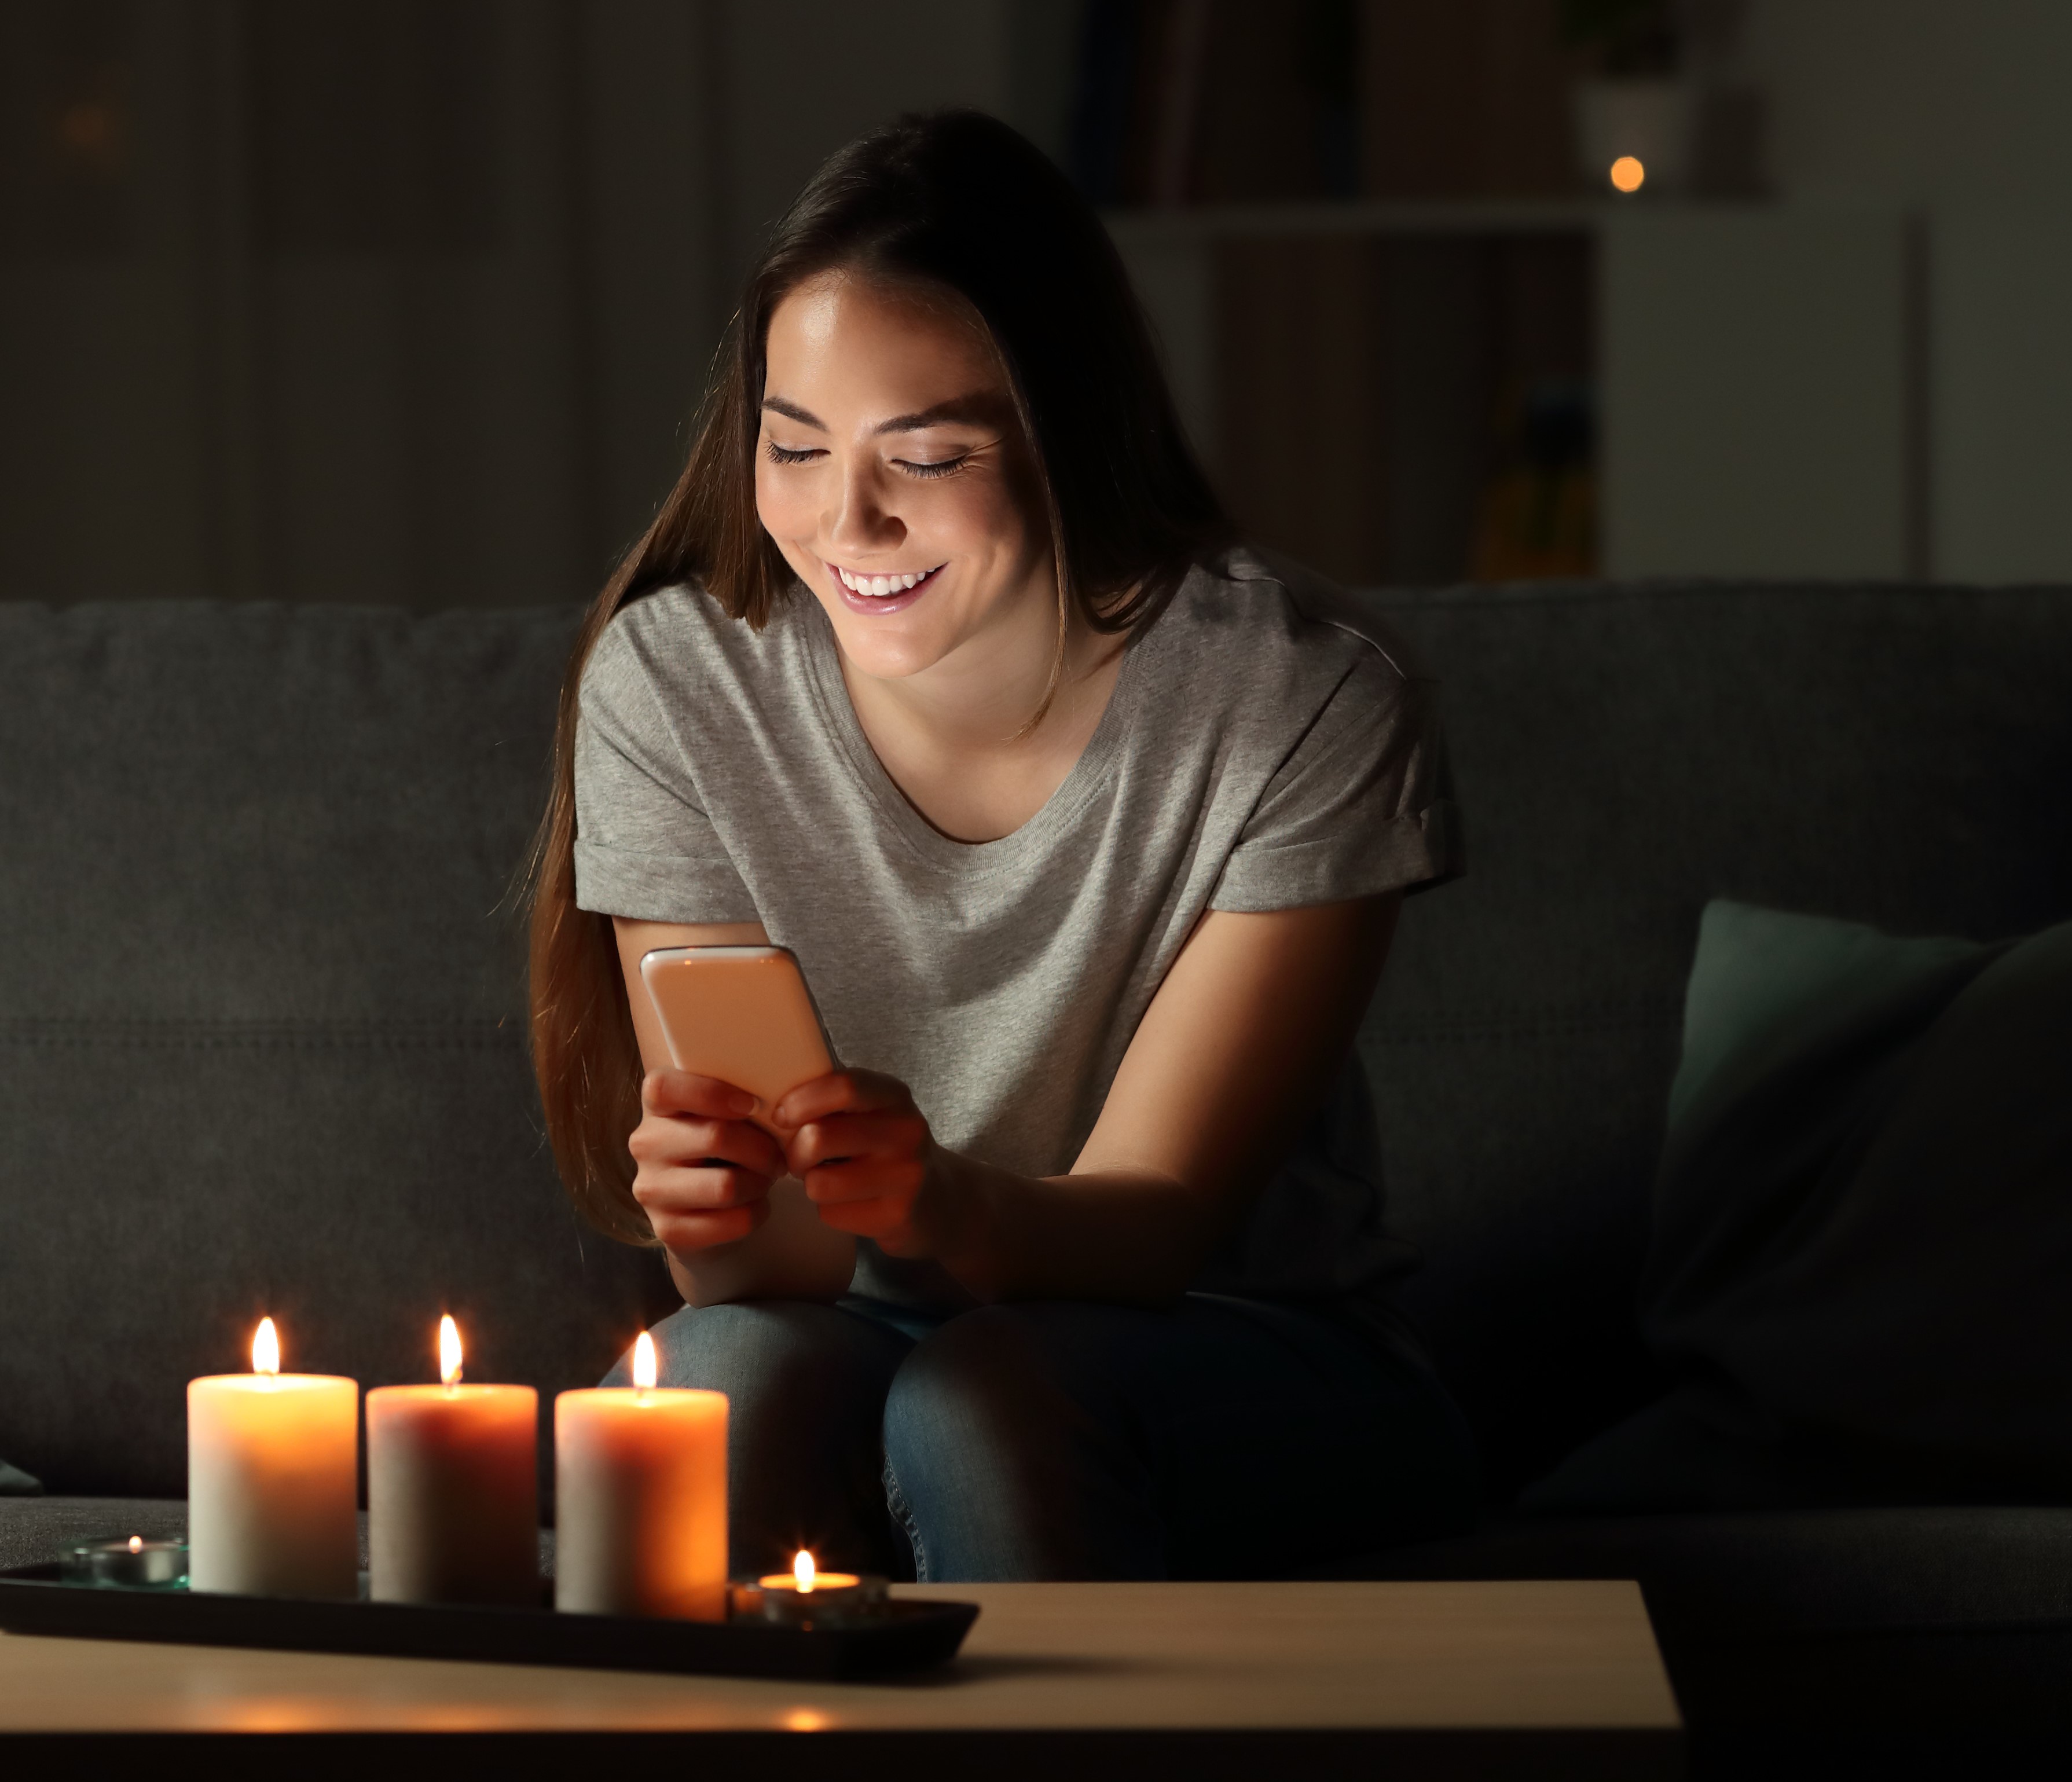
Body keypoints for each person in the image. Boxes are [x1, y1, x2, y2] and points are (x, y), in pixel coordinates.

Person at [523, 110, 1477, 1585]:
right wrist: (714, 1217)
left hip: (1241, 1346)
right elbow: (764, 1281)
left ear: (1067, 434)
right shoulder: (677, 686)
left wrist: (944, 1200)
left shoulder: (1299, 697)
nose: (847, 520)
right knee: (713, 1380)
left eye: (931, 452)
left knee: (984, 1401)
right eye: (794, 445)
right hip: (862, 1330)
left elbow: (1160, 1229)